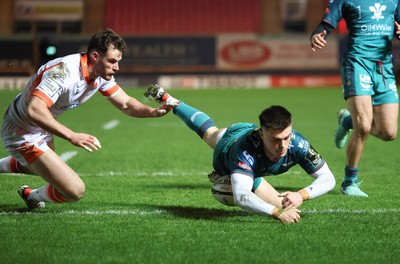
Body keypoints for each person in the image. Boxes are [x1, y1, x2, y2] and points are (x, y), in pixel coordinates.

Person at [0, 29, 171, 210]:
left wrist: (153, 112)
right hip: (22, 132)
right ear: (96, 56)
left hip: (40, 126)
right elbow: (34, 109)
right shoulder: (64, 72)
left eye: (118, 62)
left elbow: (127, 103)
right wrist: (72, 136)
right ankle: (31, 196)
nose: (117, 67)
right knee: (74, 190)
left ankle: (27, 192)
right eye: (112, 61)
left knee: (42, 169)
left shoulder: (99, 75)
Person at [144, 84, 336, 224]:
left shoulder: (299, 144)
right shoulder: (242, 151)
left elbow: (328, 178)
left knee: (287, 206)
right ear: (262, 134)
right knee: (210, 134)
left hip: (254, 163)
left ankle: (170, 100)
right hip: (230, 144)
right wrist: (276, 213)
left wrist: (302, 195)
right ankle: (171, 101)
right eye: (275, 140)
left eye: (286, 137)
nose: (283, 145)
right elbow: (242, 196)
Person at [310, 0, 400, 197]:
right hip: (357, 63)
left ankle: (347, 120)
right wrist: (317, 35)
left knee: (389, 132)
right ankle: (349, 182)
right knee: (364, 127)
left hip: (384, 67)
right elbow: (326, 24)